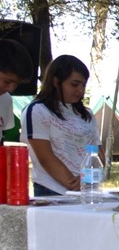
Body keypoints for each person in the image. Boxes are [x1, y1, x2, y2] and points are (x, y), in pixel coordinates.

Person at [23, 54, 98, 197]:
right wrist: (72, 182)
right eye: (74, 84)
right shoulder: (37, 110)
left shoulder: (87, 114)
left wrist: (88, 180)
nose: (80, 90)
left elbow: (96, 153)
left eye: (83, 85)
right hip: (52, 190)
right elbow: (45, 157)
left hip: (87, 190)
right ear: (56, 82)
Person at [0, 39, 32, 250]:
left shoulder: (5, 102)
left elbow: (8, 143)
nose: (8, 88)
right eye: (5, 80)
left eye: (13, 84)